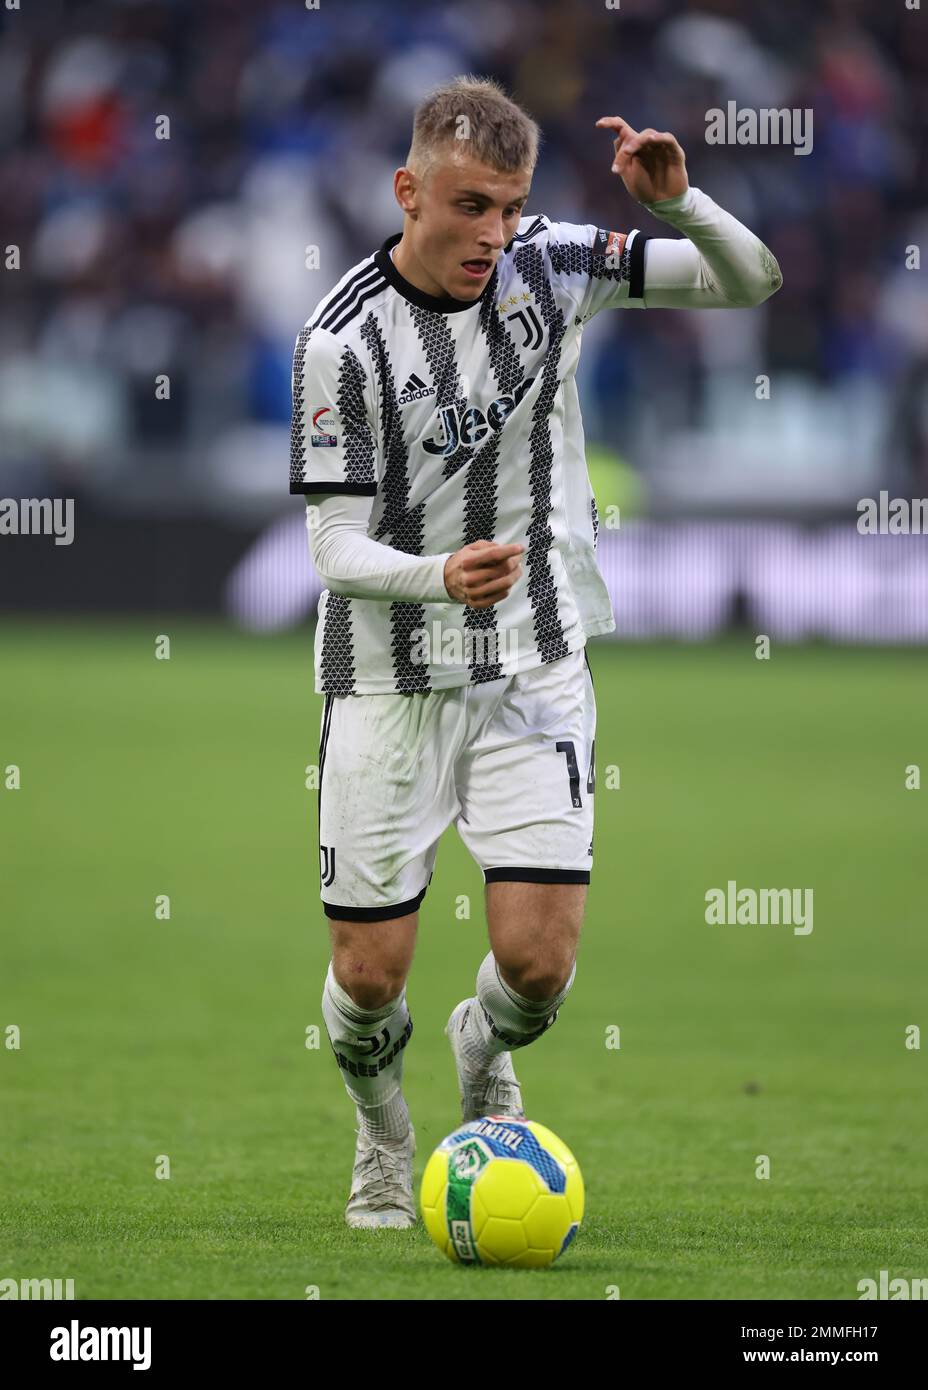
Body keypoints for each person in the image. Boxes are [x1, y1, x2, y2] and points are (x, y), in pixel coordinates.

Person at [289, 75, 782, 1228]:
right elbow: (330, 545)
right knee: (368, 977)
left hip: (532, 662)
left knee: (539, 969)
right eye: (468, 206)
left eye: (509, 205)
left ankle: (482, 1046)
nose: (492, 233)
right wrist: (433, 575)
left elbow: (747, 279)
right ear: (410, 190)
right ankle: (380, 1131)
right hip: (386, 675)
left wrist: (681, 202)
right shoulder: (341, 336)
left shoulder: (555, 264)